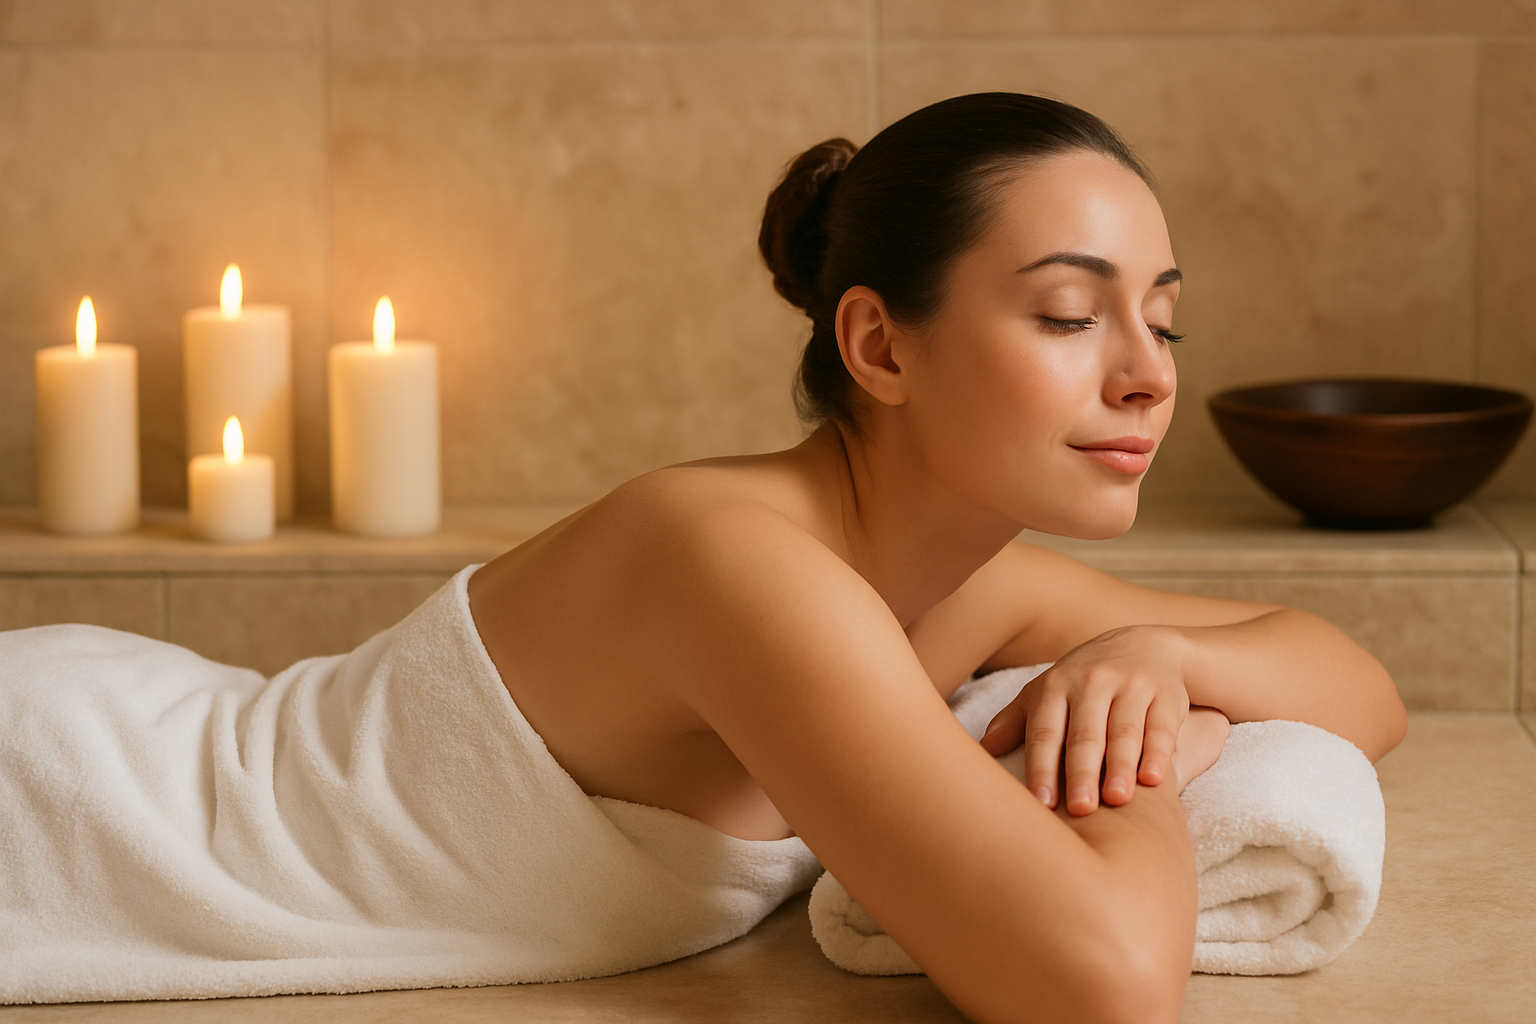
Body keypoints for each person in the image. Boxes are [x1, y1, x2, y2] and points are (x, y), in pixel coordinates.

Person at [466, 92, 1406, 1023]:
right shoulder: (727, 558)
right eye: (1072, 316)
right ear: (881, 347)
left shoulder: (972, 585)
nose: (1151, 376)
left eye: (1163, 322)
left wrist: (1156, 661)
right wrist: (1155, 747)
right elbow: (1104, 990)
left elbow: (1361, 689)